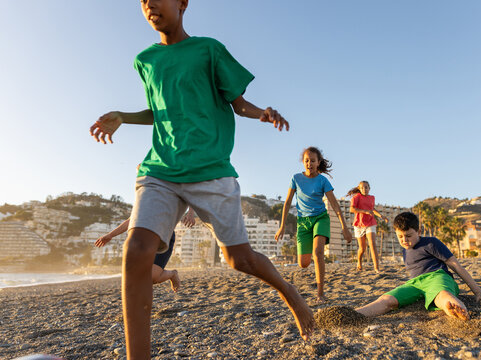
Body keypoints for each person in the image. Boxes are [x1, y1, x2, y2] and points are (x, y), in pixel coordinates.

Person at [89, 0, 314, 357]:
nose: (149, 5)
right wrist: (121, 116)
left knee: (239, 260)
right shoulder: (144, 60)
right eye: (143, 0)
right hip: (160, 169)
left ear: (182, 3)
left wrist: (262, 114)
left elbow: (237, 102)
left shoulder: (208, 50)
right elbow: (161, 111)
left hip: (210, 169)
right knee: (136, 252)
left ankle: (292, 295)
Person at [355, 212, 481, 320]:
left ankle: (455, 308)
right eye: (400, 236)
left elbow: (456, 266)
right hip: (414, 284)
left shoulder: (431, 243)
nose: (404, 240)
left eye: (409, 236)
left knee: (441, 295)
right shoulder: (405, 249)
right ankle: (352, 315)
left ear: (419, 231)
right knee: (387, 300)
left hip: (437, 277)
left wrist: (478, 292)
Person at [275, 147, 352, 304]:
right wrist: (282, 225)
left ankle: (320, 294)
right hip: (303, 222)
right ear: (303, 162)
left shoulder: (323, 181)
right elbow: (288, 202)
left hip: (320, 218)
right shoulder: (296, 178)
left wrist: (344, 226)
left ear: (318, 162)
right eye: (306, 160)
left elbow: (335, 205)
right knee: (303, 264)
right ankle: (310, 254)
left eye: (312, 160)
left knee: (318, 253)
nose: (309, 163)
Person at [94, 208, 196, 292]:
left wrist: (191, 213)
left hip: (165, 236)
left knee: (152, 277)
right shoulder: (145, 196)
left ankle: (172, 274)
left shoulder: (167, 190)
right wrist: (110, 235)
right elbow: (131, 220)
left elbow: (189, 189)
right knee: (137, 276)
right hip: (144, 238)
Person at [346, 181, 388, 272]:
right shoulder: (356, 197)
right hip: (359, 224)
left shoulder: (372, 198)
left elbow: (372, 209)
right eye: (362, 188)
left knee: (372, 244)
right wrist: (365, 211)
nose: (364, 189)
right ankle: (359, 262)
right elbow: (351, 209)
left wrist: (381, 216)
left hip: (370, 222)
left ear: (369, 188)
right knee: (362, 248)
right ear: (359, 189)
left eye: (366, 187)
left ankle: (376, 268)